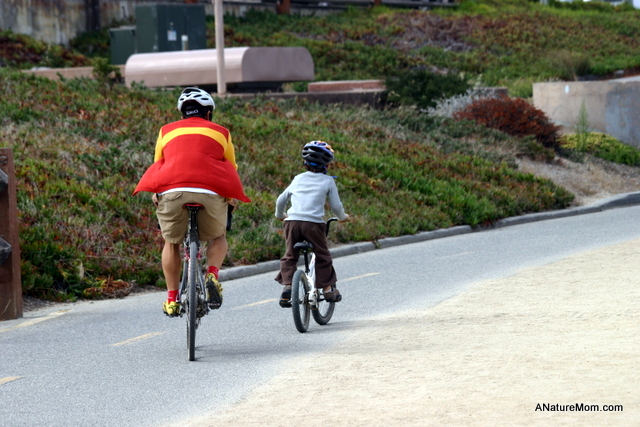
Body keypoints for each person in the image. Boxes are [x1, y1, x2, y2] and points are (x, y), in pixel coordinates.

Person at [134, 87, 251, 317]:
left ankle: (172, 299)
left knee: (171, 242)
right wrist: (230, 198)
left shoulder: (166, 130)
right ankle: (212, 275)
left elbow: (159, 163)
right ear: (208, 113)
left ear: (182, 113)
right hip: (210, 191)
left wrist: (157, 192)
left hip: (173, 190)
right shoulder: (222, 132)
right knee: (218, 236)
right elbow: (231, 167)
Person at [274, 141, 349, 307]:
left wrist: (280, 215)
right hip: (313, 225)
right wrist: (343, 217)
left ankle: (288, 287)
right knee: (322, 256)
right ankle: (327, 290)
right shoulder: (328, 181)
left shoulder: (298, 178)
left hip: (292, 222)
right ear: (327, 165)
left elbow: (281, 200)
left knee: (290, 255)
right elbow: (336, 206)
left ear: (305, 163)